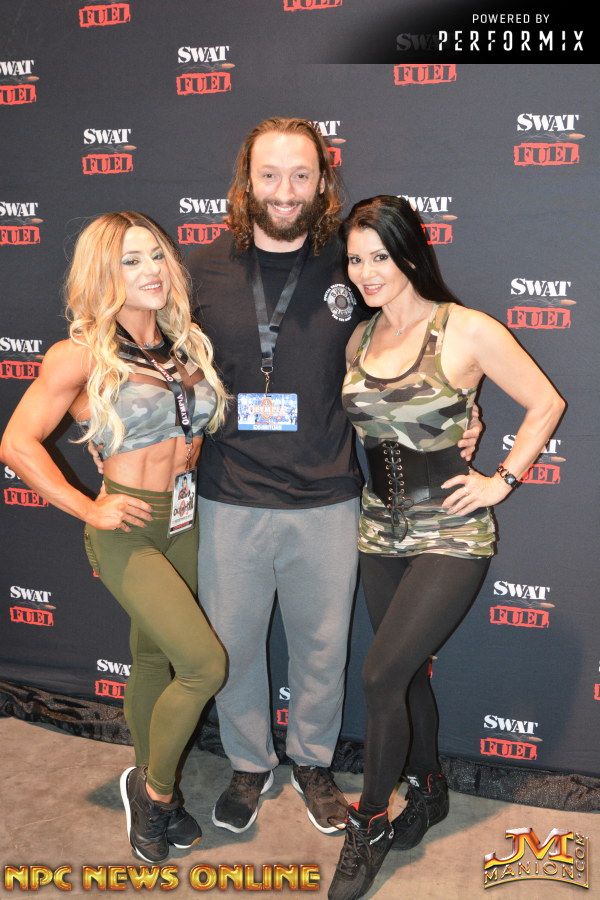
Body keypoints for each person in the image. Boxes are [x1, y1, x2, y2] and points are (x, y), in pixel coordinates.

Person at [185, 118, 482, 835]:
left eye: (301, 175)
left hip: (328, 497)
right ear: (245, 180)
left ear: (323, 182)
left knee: (322, 650)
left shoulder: (352, 265)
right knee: (233, 647)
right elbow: (153, 363)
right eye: (269, 175)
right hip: (230, 495)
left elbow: (422, 344)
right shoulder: (200, 270)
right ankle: (249, 763)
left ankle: (313, 762)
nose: (284, 191)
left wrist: (460, 417)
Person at [328, 195, 565, 900]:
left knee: (378, 675)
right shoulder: (359, 338)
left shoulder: (465, 328)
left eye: (380, 255)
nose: (367, 272)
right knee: (403, 676)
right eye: (355, 259)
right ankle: (429, 789)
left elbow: (546, 402)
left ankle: (370, 821)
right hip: (379, 525)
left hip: (452, 529)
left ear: (410, 252)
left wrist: (501, 480)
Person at [0, 211, 228, 865]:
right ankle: (156, 794)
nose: (151, 270)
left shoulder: (187, 346)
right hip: (127, 528)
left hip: (186, 520)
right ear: (104, 273)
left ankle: (147, 777)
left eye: (156, 255)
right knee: (204, 666)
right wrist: (87, 508)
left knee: (154, 660)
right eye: (131, 260)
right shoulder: (79, 355)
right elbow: (16, 443)